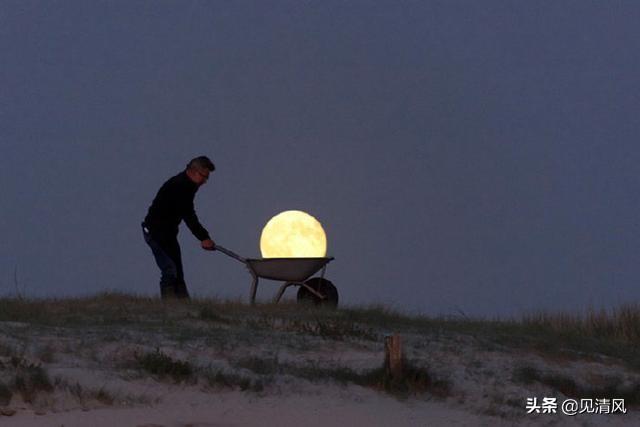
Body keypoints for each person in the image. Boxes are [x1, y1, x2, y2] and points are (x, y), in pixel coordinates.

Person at [142, 156, 216, 299]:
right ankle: (169, 308)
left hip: (168, 234)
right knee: (170, 269)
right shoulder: (180, 186)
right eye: (203, 177)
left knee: (178, 272)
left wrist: (204, 237)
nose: (204, 182)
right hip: (155, 233)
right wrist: (204, 237)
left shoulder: (188, 185)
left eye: (207, 178)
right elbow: (188, 215)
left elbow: (187, 213)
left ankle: (184, 307)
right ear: (193, 171)